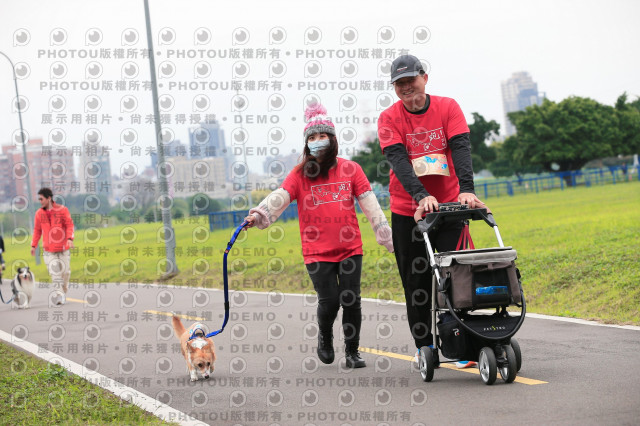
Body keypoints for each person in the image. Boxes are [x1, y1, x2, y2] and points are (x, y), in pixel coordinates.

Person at [244, 103, 394, 368]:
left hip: (350, 248)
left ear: (332, 139)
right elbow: (280, 197)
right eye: (312, 137)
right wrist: (258, 214)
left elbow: (370, 204)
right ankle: (325, 335)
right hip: (317, 252)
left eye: (322, 135)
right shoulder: (299, 174)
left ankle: (352, 352)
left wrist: (387, 235)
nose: (317, 141)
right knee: (330, 301)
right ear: (306, 143)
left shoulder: (351, 169)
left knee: (351, 300)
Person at [377, 54, 489, 366]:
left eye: (411, 80)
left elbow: (461, 148)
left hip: (450, 207)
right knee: (416, 282)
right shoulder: (389, 118)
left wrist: (467, 189)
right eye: (399, 83)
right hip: (408, 211)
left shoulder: (447, 107)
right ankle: (424, 345)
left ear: (424, 78)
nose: (406, 87)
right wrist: (421, 195)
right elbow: (398, 160)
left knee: (457, 274)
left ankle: (460, 342)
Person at [31, 187, 75, 305]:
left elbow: (70, 225)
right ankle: (60, 295)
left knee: (66, 272)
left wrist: (70, 239)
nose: (40, 201)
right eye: (39, 199)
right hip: (49, 250)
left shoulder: (62, 210)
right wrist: (34, 245)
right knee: (55, 273)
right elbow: (37, 230)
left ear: (49, 198)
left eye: (41, 199)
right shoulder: (39, 213)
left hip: (63, 248)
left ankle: (63, 291)